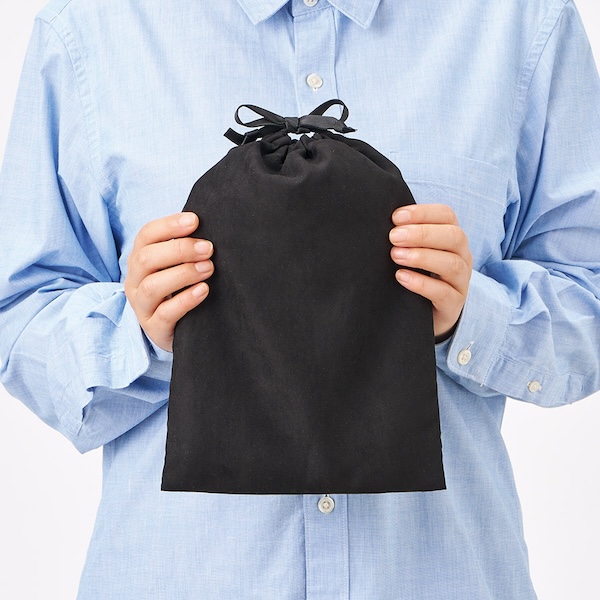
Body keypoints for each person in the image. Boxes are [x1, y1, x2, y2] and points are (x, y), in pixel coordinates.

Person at [1, 0, 599, 598]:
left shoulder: (521, 22)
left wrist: (474, 317)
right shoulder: (92, 28)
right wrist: (137, 332)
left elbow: (589, 294)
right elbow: (19, 313)